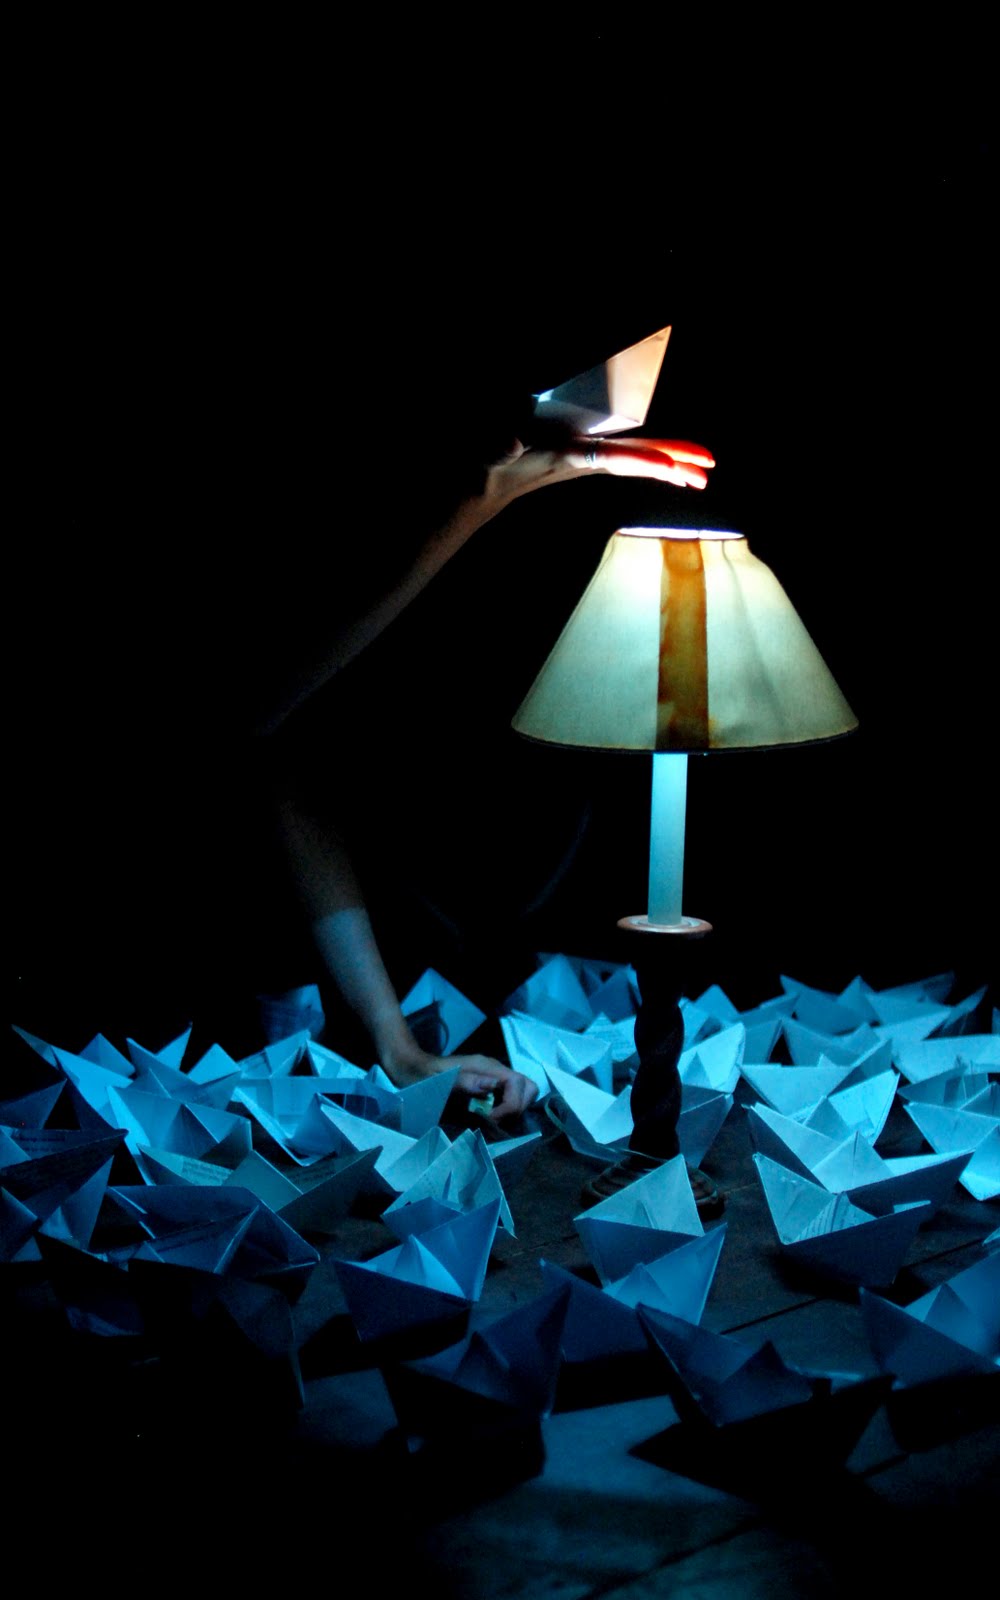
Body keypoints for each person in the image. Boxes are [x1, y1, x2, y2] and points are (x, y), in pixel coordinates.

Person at [252, 424, 715, 1124]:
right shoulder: (352, 595)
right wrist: (476, 502)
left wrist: (399, 1047)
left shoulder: (602, 589)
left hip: (552, 982)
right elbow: (271, 739)